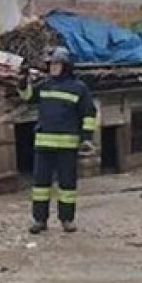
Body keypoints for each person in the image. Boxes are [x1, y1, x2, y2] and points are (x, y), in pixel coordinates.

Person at [21, 46, 98, 234]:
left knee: (67, 186)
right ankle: (39, 220)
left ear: (66, 66)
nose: (53, 68)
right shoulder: (45, 85)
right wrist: (23, 81)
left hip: (67, 145)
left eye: (56, 64)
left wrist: (86, 138)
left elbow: (89, 114)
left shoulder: (79, 88)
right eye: (51, 65)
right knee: (40, 186)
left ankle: (67, 220)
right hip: (43, 144)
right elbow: (27, 97)